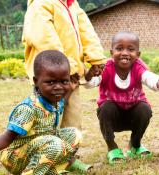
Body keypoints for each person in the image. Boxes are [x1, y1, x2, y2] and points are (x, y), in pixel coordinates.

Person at [0, 50, 91, 174]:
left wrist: (70, 88)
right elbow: (8, 136)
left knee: (74, 134)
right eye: (51, 82)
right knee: (55, 143)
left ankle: (52, 170)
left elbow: (63, 100)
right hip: (16, 157)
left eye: (64, 81)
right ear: (36, 81)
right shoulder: (29, 109)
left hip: (43, 147)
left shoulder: (56, 100)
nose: (58, 87)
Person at [85, 31, 159, 164]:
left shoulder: (138, 66)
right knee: (106, 107)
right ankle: (112, 147)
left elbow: (150, 78)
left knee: (145, 108)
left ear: (138, 55)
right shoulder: (106, 67)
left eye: (131, 49)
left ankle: (135, 145)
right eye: (119, 48)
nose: (125, 53)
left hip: (134, 116)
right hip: (111, 118)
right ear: (111, 52)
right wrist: (89, 75)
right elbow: (91, 83)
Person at [23, 0, 106, 130]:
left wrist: (96, 58)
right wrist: (68, 68)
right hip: (50, 78)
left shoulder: (72, 4)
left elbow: (86, 32)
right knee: (48, 122)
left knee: (72, 123)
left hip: (71, 77)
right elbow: (46, 40)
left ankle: (68, 149)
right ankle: (45, 148)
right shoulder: (40, 4)